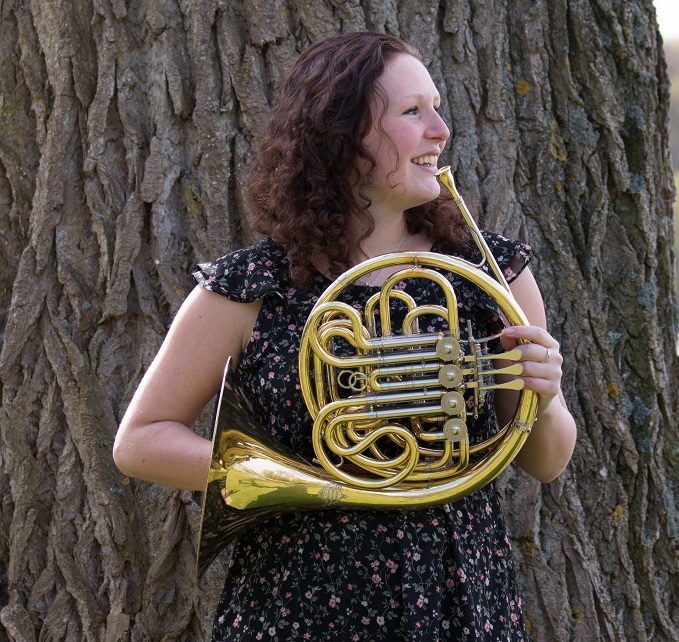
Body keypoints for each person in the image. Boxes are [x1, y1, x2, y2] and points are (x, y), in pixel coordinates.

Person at [113, 31, 577, 641]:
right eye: (413, 112)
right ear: (344, 136)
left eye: (436, 107)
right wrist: (297, 477)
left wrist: (542, 397)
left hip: (456, 593)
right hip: (301, 600)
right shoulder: (254, 285)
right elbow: (140, 441)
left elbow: (547, 461)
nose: (441, 130)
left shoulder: (491, 272)